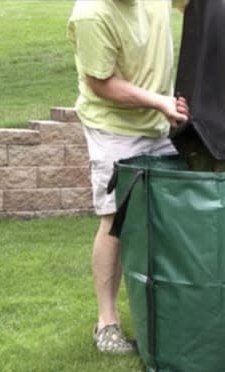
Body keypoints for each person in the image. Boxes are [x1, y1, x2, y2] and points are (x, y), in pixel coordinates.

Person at [67, 0, 189, 353]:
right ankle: (107, 325)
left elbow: (196, 8)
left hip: (161, 124)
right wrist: (160, 102)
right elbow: (101, 82)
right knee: (116, 221)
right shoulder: (91, 13)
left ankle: (182, 307)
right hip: (113, 129)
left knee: (177, 215)